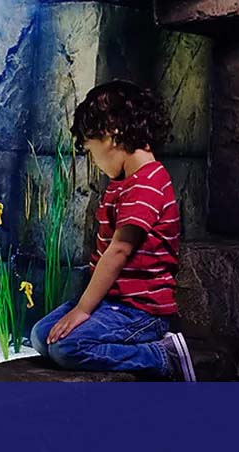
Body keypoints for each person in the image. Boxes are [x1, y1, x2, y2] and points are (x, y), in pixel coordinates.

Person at [30, 80, 196, 382]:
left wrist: (82, 309)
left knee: (67, 348)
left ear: (112, 134)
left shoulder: (147, 184)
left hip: (140, 311)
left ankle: (162, 356)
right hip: (113, 304)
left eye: (91, 151)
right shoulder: (126, 183)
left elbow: (119, 250)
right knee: (42, 336)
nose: (94, 161)